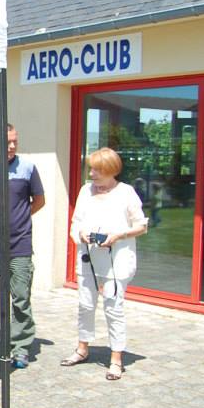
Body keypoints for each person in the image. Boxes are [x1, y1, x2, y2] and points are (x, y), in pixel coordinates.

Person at [61, 148, 148, 381]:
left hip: (116, 260)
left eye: (97, 170)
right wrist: (81, 234)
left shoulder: (126, 193)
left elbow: (142, 226)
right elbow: (75, 223)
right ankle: (82, 348)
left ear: (111, 170)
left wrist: (118, 235)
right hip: (88, 258)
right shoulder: (85, 191)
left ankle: (116, 359)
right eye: (91, 168)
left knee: (113, 307)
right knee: (86, 305)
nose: (92, 173)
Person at [0, 124, 45, 368]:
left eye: (15, 141)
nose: (13, 146)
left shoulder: (27, 168)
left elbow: (39, 200)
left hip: (19, 245)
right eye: (8, 142)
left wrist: (20, 218)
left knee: (20, 297)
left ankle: (20, 346)